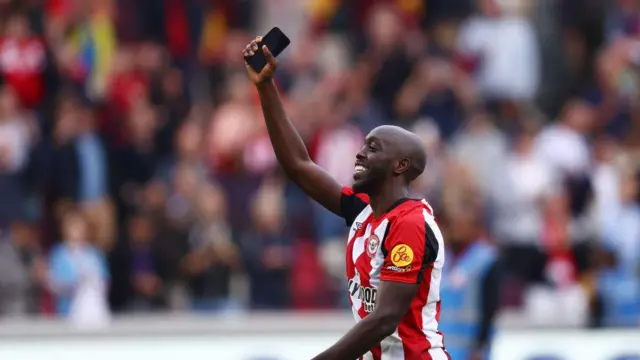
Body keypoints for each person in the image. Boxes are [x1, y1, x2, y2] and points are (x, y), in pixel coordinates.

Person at [242, 37, 449, 360]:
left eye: (373, 148)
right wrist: (266, 85)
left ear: (401, 165)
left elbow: (385, 319)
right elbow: (298, 166)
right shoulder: (363, 213)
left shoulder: (410, 224)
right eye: (364, 144)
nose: (360, 153)